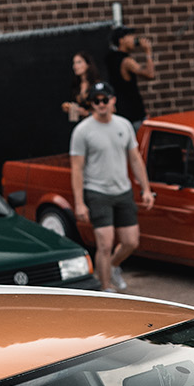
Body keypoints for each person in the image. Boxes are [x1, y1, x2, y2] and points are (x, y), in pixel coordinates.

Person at [69, 81, 155, 292]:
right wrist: (79, 203)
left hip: (122, 190)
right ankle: (105, 288)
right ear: (91, 104)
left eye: (104, 100)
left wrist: (146, 189)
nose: (100, 104)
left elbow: (135, 159)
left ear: (113, 100)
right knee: (105, 244)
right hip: (97, 192)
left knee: (131, 241)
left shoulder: (123, 125)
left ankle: (113, 266)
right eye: (96, 101)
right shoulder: (82, 131)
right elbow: (77, 168)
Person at [106, 27, 155, 124]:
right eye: (130, 36)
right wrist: (148, 52)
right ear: (121, 40)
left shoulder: (111, 58)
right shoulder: (126, 61)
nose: (134, 39)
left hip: (121, 112)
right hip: (133, 114)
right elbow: (150, 74)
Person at [62, 51, 103, 125]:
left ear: (88, 65)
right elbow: (74, 117)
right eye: (74, 63)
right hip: (82, 125)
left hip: (98, 124)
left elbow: (109, 109)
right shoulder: (76, 85)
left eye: (79, 62)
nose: (75, 66)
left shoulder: (97, 85)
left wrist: (87, 113)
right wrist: (71, 109)